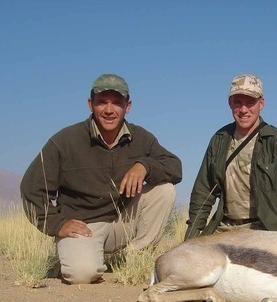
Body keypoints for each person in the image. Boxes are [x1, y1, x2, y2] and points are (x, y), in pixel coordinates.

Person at [21, 73, 182, 284]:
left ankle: (133, 258)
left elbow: (174, 166)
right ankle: (70, 257)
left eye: (116, 103)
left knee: (165, 190)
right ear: (90, 104)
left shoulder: (141, 138)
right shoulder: (65, 141)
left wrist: (145, 165)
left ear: (128, 106)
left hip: (121, 222)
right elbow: (31, 188)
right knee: (83, 275)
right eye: (102, 102)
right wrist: (56, 224)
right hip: (84, 227)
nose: (109, 110)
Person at [185, 74, 277, 240]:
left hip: (265, 231)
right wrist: (191, 238)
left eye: (250, 102)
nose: (243, 109)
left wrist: (276, 217)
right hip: (225, 229)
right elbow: (202, 192)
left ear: (261, 104)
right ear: (230, 103)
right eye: (238, 102)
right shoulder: (219, 140)